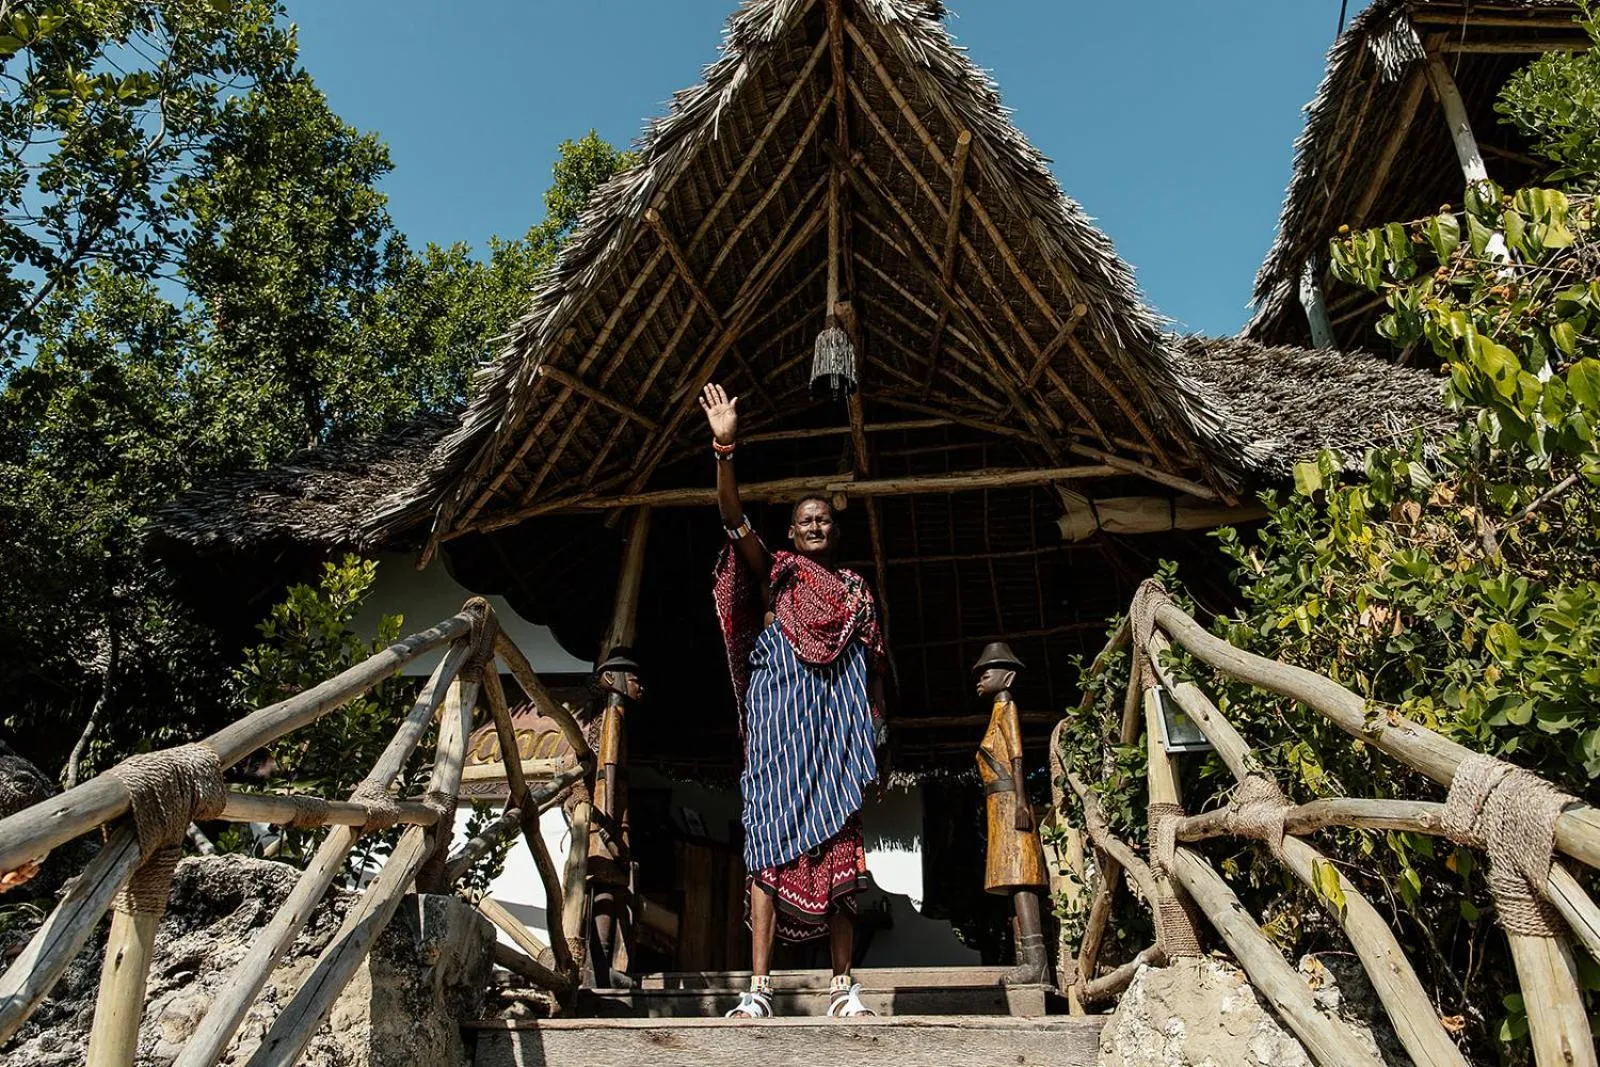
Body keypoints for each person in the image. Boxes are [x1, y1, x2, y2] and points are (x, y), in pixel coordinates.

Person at [699, 382, 886, 1020]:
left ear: (834, 529)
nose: (814, 524)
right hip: (780, 736)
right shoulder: (774, 571)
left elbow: (875, 670)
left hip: (837, 742)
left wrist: (876, 740)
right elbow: (731, 518)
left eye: (824, 519)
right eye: (805, 519)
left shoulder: (857, 591)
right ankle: (758, 990)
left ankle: (842, 987)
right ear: (790, 531)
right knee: (765, 853)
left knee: (842, 856)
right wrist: (726, 447)